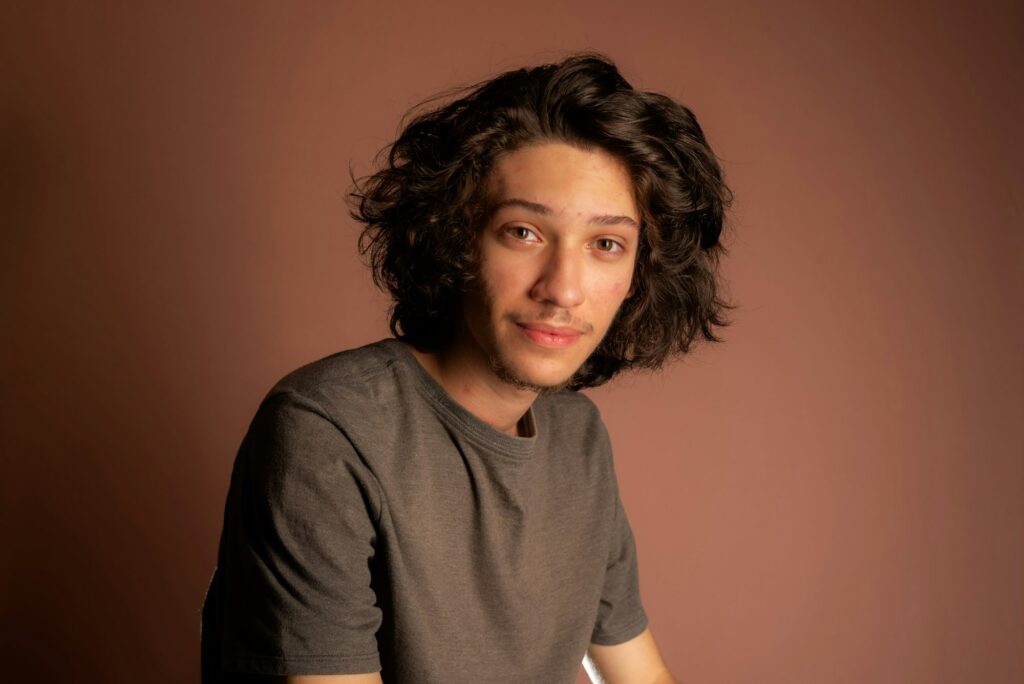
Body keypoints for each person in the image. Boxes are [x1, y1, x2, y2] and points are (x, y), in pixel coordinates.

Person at [201, 53, 731, 684]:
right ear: (457, 238)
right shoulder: (328, 432)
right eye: (524, 232)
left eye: (606, 245)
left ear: (639, 276)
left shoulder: (578, 438)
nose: (563, 289)